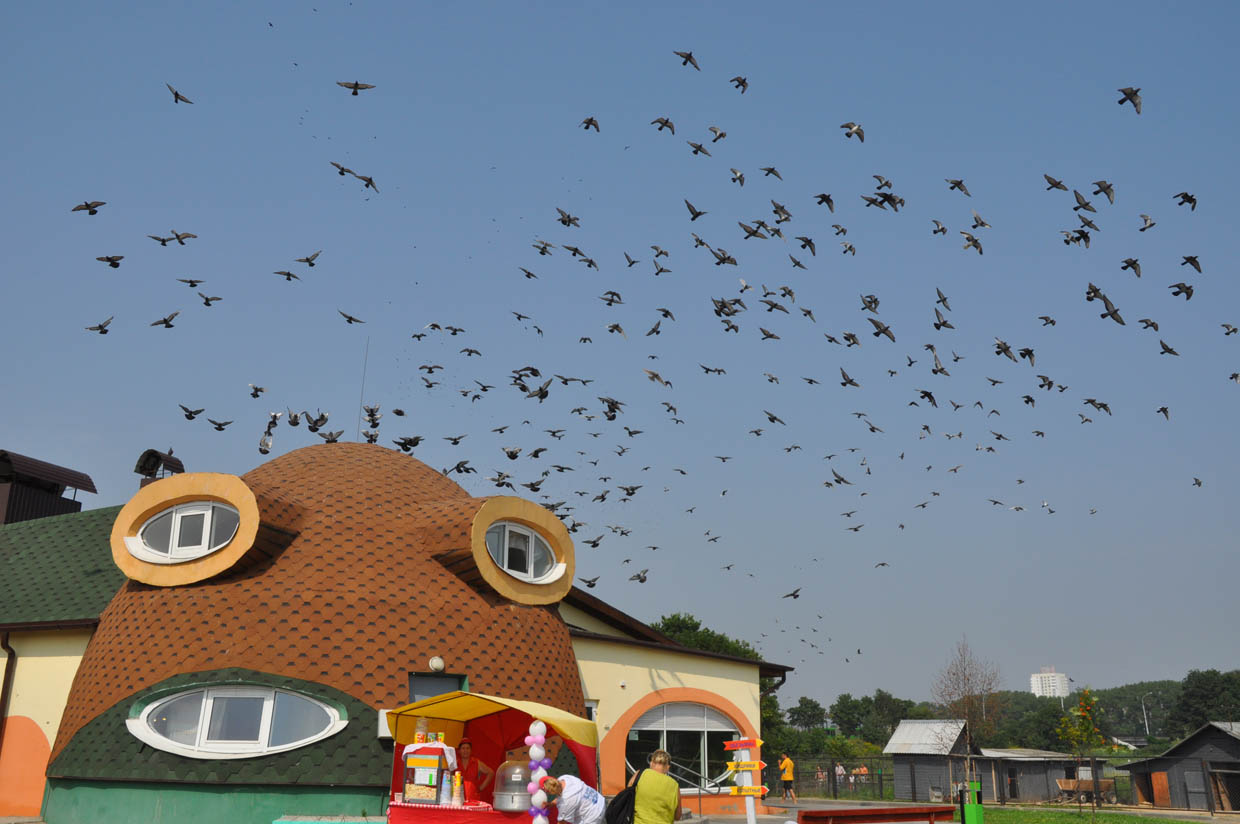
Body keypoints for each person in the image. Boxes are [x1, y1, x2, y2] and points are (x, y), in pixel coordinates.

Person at [630, 749, 681, 824]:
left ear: (651, 763)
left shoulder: (640, 774)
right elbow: (677, 816)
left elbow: (628, 797)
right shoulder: (674, 786)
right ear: (667, 767)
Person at [456, 738, 494, 802]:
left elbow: (491, 773)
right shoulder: (455, 764)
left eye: (468, 748)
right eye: (463, 748)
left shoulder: (477, 763)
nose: (465, 750)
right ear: (459, 751)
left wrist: (481, 788)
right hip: (458, 798)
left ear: (471, 750)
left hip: (474, 799)